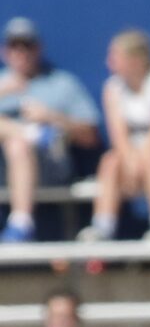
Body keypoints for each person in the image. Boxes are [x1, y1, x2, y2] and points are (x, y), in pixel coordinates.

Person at [83, 29, 150, 247]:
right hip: (133, 167)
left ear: (135, 60)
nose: (109, 62)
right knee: (110, 161)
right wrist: (131, 161)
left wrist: (139, 160)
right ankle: (102, 228)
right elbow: (118, 135)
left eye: (114, 56)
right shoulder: (112, 88)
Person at [0, 19, 99, 245]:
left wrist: (51, 117)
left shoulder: (61, 83)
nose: (21, 52)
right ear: (5, 51)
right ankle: (30, 133)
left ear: (38, 48)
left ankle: (21, 223)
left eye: (27, 45)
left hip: (50, 165)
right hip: (3, 169)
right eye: (14, 46)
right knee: (17, 140)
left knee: (18, 145)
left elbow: (90, 135)